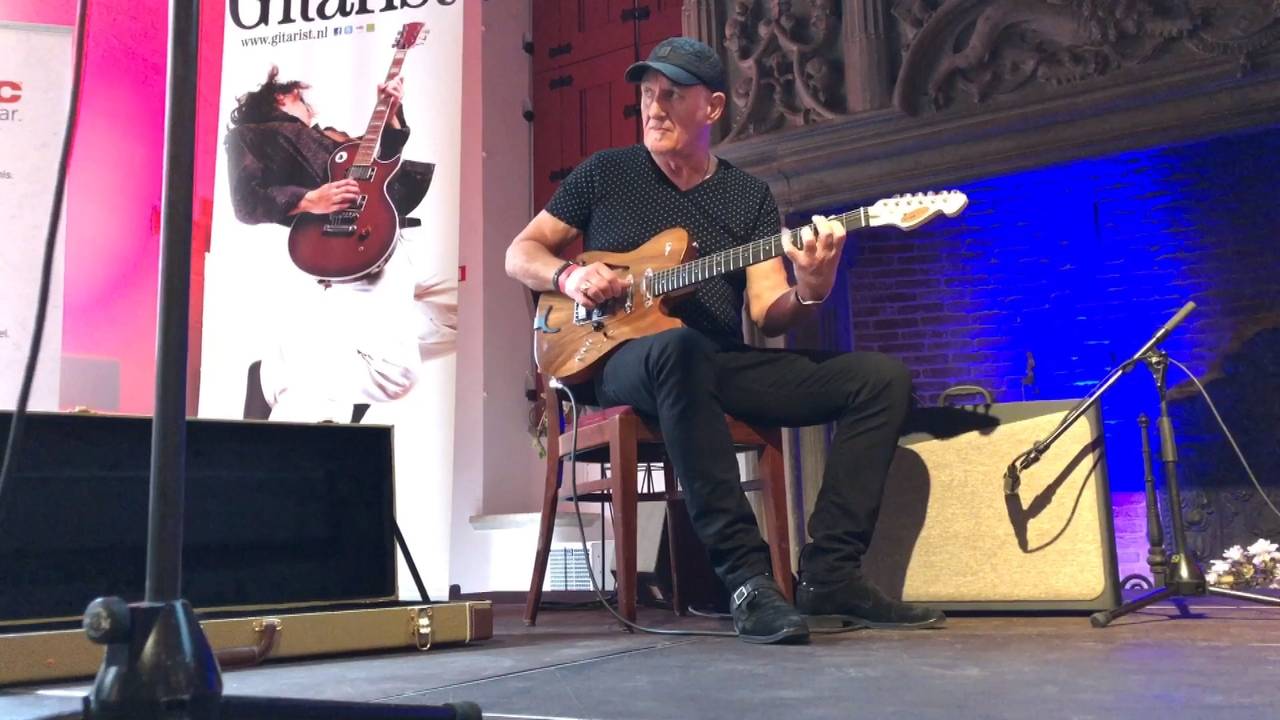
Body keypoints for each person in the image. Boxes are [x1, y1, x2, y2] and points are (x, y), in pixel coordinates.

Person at [505, 37, 945, 644]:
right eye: (647, 94)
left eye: (671, 95)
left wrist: (812, 287)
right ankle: (746, 579)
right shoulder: (606, 172)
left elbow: (768, 311)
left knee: (880, 380)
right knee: (677, 349)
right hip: (615, 359)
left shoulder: (747, 196)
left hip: (712, 360)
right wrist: (569, 276)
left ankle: (831, 576)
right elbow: (519, 252)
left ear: (711, 108)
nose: (653, 108)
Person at [223, 66, 456, 422]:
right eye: (304, 102)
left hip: (397, 235)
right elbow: (245, 202)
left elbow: (381, 162)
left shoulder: (330, 138)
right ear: (281, 96)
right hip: (354, 250)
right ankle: (273, 375)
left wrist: (390, 114)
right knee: (396, 376)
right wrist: (308, 200)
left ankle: (341, 377)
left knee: (469, 307)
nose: (313, 110)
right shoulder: (252, 135)